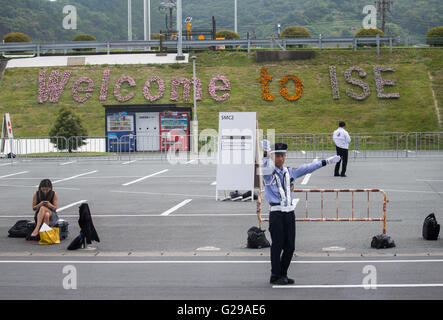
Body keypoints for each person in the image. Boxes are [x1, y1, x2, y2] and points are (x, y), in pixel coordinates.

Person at [261, 141, 340, 285]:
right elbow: (265, 166)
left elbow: (308, 168)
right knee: (277, 245)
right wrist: (265, 153)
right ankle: (275, 275)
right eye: (277, 156)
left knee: (290, 246)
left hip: (289, 213)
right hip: (277, 213)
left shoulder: (290, 172)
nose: (280, 158)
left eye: (282, 155)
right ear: (273, 157)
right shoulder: (268, 173)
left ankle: (283, 274)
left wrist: (326, 161)